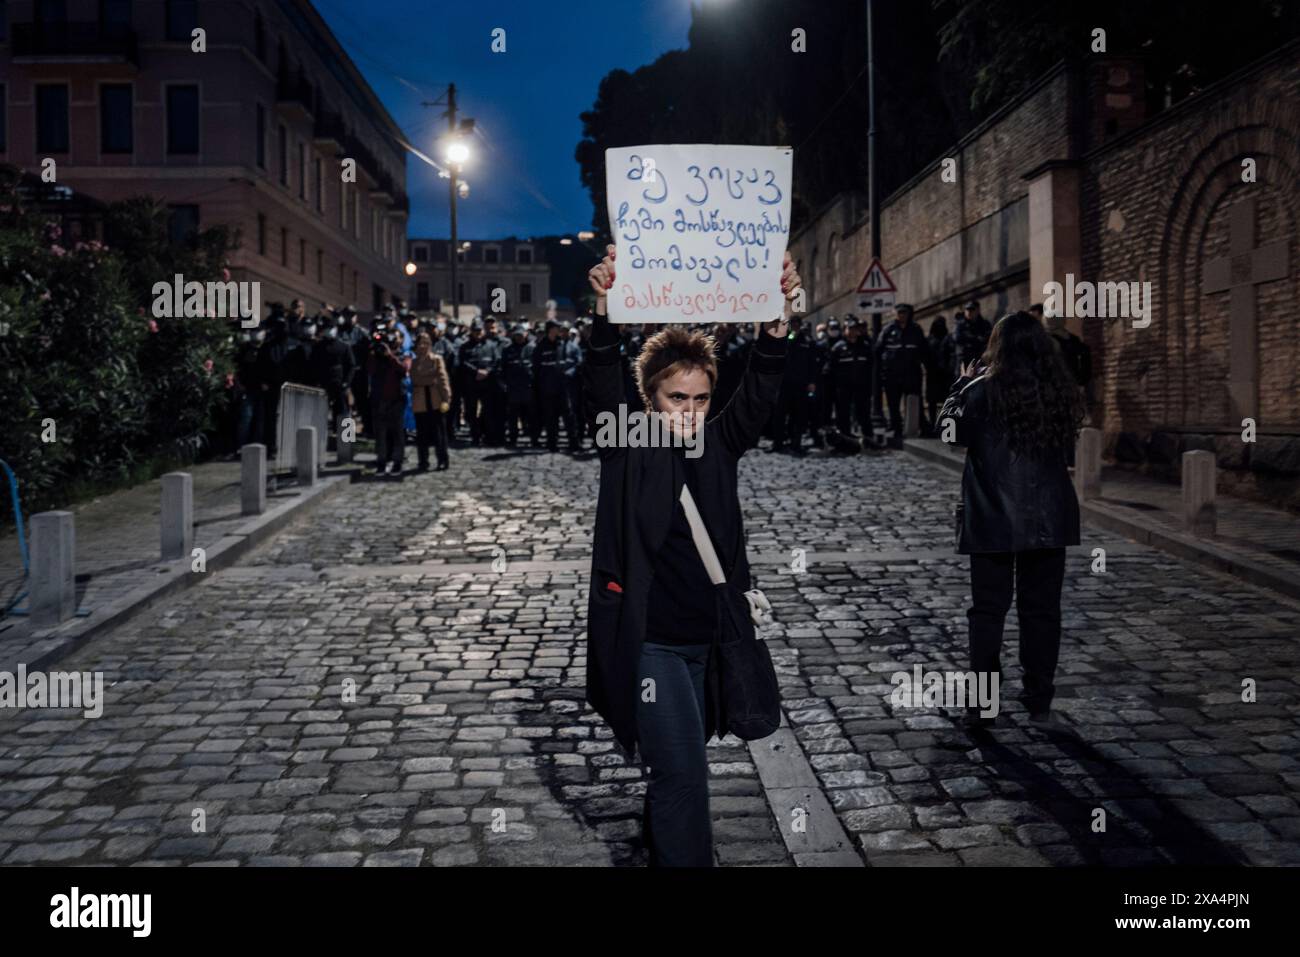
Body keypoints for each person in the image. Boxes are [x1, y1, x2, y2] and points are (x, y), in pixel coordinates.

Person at [582, 243, 802, 868]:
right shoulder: (626, 443)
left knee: (676, 765)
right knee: (684, 776)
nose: (691, 411)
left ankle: (660, 848)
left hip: (709, 642)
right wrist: (603, 312)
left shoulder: (723, 443)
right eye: (677, 398)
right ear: (650, 398)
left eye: (701, 398)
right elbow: (601, 384)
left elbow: (758, 392)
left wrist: (776, 326)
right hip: (650, 642)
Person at [939, 311, 1085, 732]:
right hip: (1047, 521)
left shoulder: (981, 392)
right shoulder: (1059, 392)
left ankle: (983, 707)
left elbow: (948, 434)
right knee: (1042, 613)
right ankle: (1040, 704)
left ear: (997, 346)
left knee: (987, 613)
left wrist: (961, 385)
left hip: (991, 520)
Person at [874, 303, 930, 448]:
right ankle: (896, 429)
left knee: (914, 402)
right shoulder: (888, 330)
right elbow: (877, 351)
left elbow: (924, 350)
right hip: (892, 374)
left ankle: (917, 427)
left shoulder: (915, 330)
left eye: (904, 313)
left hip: (911, 373)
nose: (901, 315)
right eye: (899, 313)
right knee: (893, 404)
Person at [769, 314, 817, 455]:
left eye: (797, 323)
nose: (795, 326)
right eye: (792, 323)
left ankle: (796, 443)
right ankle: (777, 443)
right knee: (779, 415)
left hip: (801, 384)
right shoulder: (782, 339)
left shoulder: (808, 341)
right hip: (783, 384)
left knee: (799, 415)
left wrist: (812, 381)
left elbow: (813, 364)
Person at [368, 324, 411, 475]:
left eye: (395, 337)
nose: (392, 340)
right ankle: (381, 462)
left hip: (397, 399)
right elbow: (370, 370)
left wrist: (390, 356)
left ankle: (397, 462)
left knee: (397, 433)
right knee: (380, 434)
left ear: (401, 340)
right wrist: (375, 352)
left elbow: (404, 369)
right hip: (379, 399)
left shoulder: (404, 354)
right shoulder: (377, 354)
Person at [533, 319, 578, 452]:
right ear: (550, 330)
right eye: (557, 328)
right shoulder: (540, 347)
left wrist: (568, 373)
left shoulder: (562, 344)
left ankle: (574, 444)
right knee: (550, 418)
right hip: (548, 389)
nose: (559, 330)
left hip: (563, 388)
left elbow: (571, 363)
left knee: (569, 417)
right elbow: (536, 369)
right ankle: (552, 444)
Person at [410, 332, 452, 471]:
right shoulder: (414, 362)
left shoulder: (436, 359)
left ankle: (442, 460)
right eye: (420, 343)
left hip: (435, 400)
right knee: (421, 435)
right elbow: (415, 379)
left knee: (439, 433)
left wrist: (446, 398)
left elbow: (442, 379)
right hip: (420, 401)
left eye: (426, 343)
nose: (423, 346)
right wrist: (431, 379)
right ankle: (423, 461)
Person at [501, 323, 536, 447]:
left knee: (531, 416)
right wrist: (505, 385)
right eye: (517, 335)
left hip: (529, 388)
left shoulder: (532, 348)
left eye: (521, 335)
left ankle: (534, 439)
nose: (519, 337)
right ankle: (513, 438)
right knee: (513, 417)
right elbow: (502, 369)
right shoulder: (507, 350)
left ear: (526, 334)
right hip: (513, 389)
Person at [925, 315, 952, 437]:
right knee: (932, 402)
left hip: (944, 374)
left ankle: (944, 425)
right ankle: (932, 425)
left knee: (946, 401)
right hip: (933, 373)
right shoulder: (930, 339)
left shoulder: (947, 338)